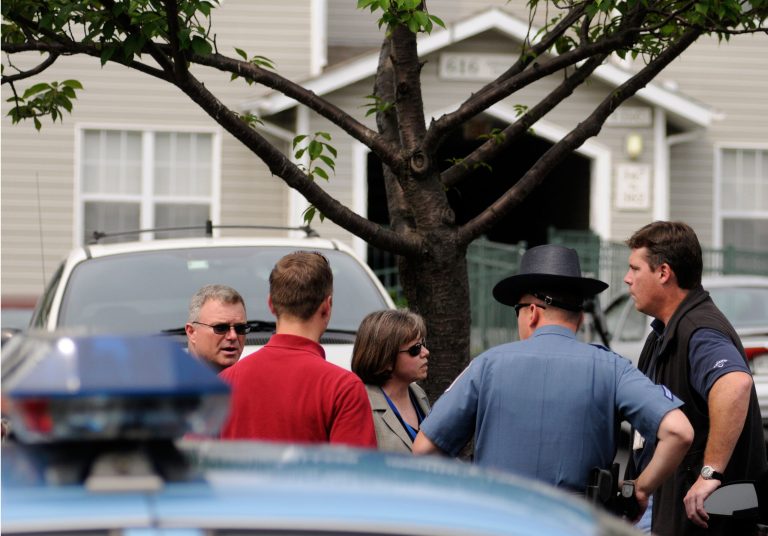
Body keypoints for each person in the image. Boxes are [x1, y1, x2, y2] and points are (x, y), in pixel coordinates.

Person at [412, 244, 693, 520]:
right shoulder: (613, 367)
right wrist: (641, 490)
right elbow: (679, 432)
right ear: (580, 318)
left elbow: (424, 448)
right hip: (576, 523)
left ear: (532, 312)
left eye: (517, 310)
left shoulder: (488, 364)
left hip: (496, 520)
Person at [624, 221, 766, 535]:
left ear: (663, 272)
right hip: (662, 508)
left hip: (695, 518)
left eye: (635, 268)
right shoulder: (664, 333)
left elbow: (735, 384)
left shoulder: (700, 329)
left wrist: (709, 473)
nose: (627, 278)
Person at [219, 251, 377, 448]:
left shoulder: (223, 384)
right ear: (327, 306)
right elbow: (356, 474)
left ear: (271, 304)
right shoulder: (343, 389)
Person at [352, 309, 431, 453]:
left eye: (423, 343)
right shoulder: (362, 403)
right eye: (415, 349)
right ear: (385, 359)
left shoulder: (418, 393)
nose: (425, 352)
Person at [185, 284, 248, 372]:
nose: (233, 336)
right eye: (221, 328)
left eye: (240, 328)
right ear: (192, 332)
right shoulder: (166, 382)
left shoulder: (254, 381)